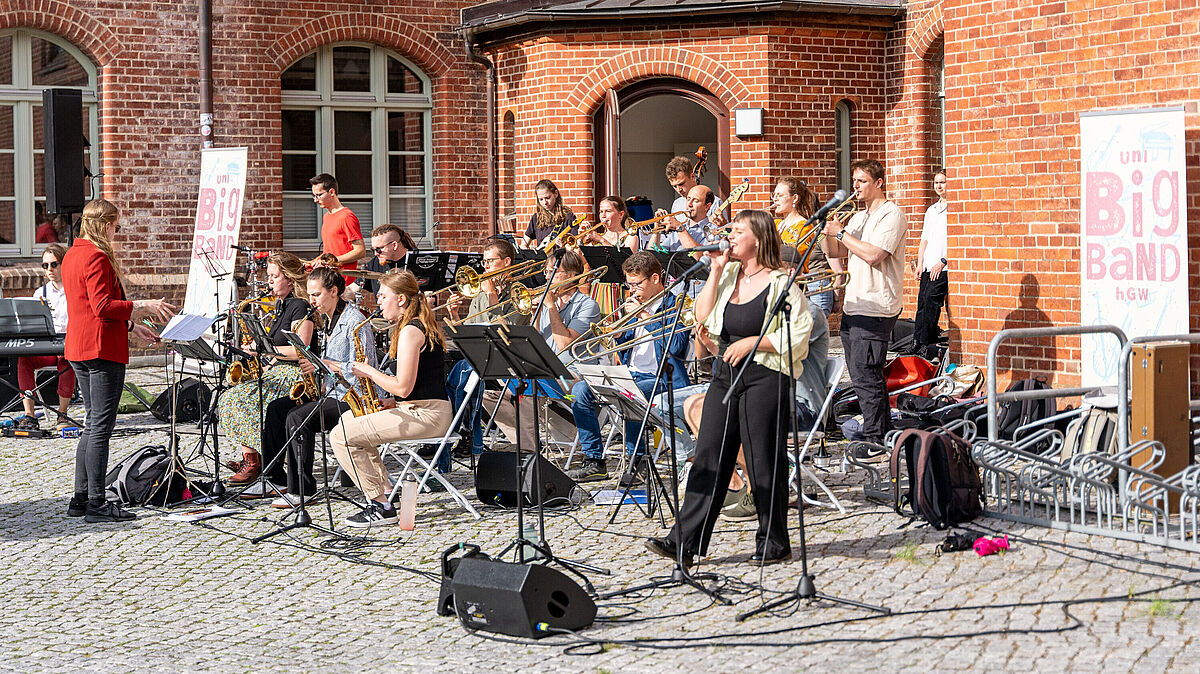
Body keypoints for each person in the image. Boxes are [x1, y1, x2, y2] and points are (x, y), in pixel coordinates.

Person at [645, 209, 812, 567]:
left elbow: (800, 334)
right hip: (726, 370)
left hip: (765, 375)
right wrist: (716, 270)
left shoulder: (781, 283)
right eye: (731, 230)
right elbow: (703, 316)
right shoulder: (729, 273)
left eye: (738, 231)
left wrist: (755, 341)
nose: (730, 236)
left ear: (759, 239)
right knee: (709, 454)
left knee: (762, 460)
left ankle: (774, 540)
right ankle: (685, 541)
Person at [62, 198, 175, 523]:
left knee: (91, 423)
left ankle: (80, 498)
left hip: (81, 347)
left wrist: (131, 326)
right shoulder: (96, 256)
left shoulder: (72, 254)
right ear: (104, 224)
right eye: (115, 225)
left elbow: (88, 307)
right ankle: (97, 504)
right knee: (100, 426)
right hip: (100, 350)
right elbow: (101, 306)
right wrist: (143, 304)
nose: (117, 231)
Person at [330, 270, 453, 527]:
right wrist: (394, 403)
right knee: (348, 420)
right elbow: (420, 385)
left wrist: (369, 372)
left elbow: (403, 387)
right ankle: (385, 491)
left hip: (427, 415)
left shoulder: (410, 330)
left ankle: (379, 504)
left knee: (340, 436)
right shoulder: (414, 326)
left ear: (401, 300)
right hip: (420, 409)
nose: (378, 301)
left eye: (383, 295)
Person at [254, 267, 374, 508]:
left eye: (316, 295)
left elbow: (364, 366)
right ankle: (274, 478)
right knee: (277, 408)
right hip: (331, 389)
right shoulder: (328, 321)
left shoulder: (355, 321)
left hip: (352, 396)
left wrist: (326, 365)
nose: (311, 301)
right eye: (309, 295)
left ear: (334, 291)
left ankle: (303, 490)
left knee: (298, 418)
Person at [567, 252, 691, 485]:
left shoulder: (676, 304)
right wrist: (618, 335)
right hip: (630, 372)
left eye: (636, 284)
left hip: (663, 378)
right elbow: (626, 348)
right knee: (581, 390)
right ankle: (594, 460)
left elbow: (675, 347)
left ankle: (639, 460)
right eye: (629, 284)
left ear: (655, 278)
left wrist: (647, 318)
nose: (632, 290)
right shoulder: (631, 305)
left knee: (627, 392)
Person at [822, 159, 908, 449]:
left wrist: (842, 234)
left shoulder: (890, 214)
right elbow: (838, 252)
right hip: (854, 305)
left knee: (867, 374)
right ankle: (881, 431)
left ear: (879, 183)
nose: (855, 186)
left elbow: (874, 255)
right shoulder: (857, 217)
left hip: (876, 306)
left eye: (861, 181)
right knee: (861, 375)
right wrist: (827, 234)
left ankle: (875, 437)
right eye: (854, 181)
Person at [487, 249, 600, 459]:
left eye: (554, 273)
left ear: (571, 275)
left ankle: (530, 451)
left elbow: (564, 343)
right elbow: (534, 344)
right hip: (545, 371)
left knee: (527, 391)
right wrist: (535, 314)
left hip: (573, 374)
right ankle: (527, 444)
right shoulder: (548, 306)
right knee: (493, 392)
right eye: (547, 272)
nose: (548, 278)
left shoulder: (587, 305)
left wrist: (550, 307)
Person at [219, 252, 315, 485]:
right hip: (277, 370)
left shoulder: (299, 306)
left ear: (290, 279)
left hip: (296, 377)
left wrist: (265, 351)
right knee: (229, 397)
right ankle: (253, 456)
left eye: (274, 276)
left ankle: (255, 461)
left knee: (238, 399)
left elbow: (301, 350)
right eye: (268, 276)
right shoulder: (281, 305)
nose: (269, 281)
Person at [446, 237, 531, 462]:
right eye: (483, 263)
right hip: (483, 355)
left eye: (490, 262)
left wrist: (492, 295)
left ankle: (468, 437)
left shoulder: (520, 294)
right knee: (454, 373)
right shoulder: (481, 294)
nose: (485, 268)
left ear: (506, 262)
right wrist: (455, 316)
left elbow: (507, 331)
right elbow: (472, 330)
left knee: (466, 375)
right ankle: (465, 435)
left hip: (509, 358)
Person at [14, 243, 75, 430]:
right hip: (47, 343)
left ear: (64, 264)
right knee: (24, 360)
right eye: (45, 265)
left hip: (68, 343)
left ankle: (62, 414)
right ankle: (30, 415)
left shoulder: (75, 291)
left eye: (54, 264)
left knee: (68, 361)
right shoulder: (40, 293)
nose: (49, 269)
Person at [772, 177, 844, 316]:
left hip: (797, 287)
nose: (775, 199)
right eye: (774, 195)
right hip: (779, 286)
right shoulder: (775, 224)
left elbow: (789, 258)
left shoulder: (804, 226)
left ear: (794, 199)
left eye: (780, 195)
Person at [913, 168, 949, 360]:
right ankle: (917, 342)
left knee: (931, 302)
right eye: (936, 182)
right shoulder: (931, 210)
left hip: (942, 267)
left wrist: (943, 262)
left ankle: (927, 344)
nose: (939, 186)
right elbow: (924, 240)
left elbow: (956, 240)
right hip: (928, 265)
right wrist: (920, 264)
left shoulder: (954, 210)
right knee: (921, 303)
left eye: (942, 182)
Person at [310, 173, 366, 275]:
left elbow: (360, 251)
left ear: (332, 192)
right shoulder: (326, 217)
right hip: (330, 276)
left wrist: (332, 261)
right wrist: (316, 261)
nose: (315, 200)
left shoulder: (347, 216)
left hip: (344, 279)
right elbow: (331, 252)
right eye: (314, 195)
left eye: (319, 195)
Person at [347, 223, 416, 304]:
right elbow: (353, 289)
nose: (376, 254)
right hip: (383, 315)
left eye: (379, 249)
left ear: (394, 245)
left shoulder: (418, 261)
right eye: (373, 250)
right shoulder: (375, 263)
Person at [652, 184, 716, 253]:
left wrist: (679, 228)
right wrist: (657, 229)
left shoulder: (713, 231)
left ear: (707, 206)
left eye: (696, 201)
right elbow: (652, 253)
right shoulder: (678, 231)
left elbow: (699, 256)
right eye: (688, 199)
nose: (689, 204)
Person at [520, 179, 576, 249]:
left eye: (547, 198)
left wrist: (564, 247)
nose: (544, 202)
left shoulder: (568, 217)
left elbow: (575, 247)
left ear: (556, 193)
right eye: (541, 199)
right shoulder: (536, 218)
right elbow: (523, 245)